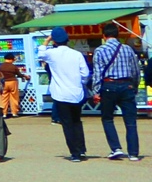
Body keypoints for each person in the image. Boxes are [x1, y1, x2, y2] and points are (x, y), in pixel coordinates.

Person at [39, 26, 93, 161]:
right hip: (76, 92)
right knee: (76, 121)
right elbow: (86, 74)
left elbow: (40, 54)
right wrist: (81, 82)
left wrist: (46, 41)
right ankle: (81, 150)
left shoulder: (52, 54)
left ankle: (74, 153)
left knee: (67, 124)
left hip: (60, 93)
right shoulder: (77, 54)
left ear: (54, 41)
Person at [93, 33, 143, 161]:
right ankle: (133, 153)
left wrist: (96, 91)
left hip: (109, 85)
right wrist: (135, 86)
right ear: (117, 35)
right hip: (127, 85)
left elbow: (97, 72)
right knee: (130, 121)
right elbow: (135, 70)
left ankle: (116, 148)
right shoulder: (127, 49)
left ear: (104, 36)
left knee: (108, 118)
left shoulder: (100, 50)